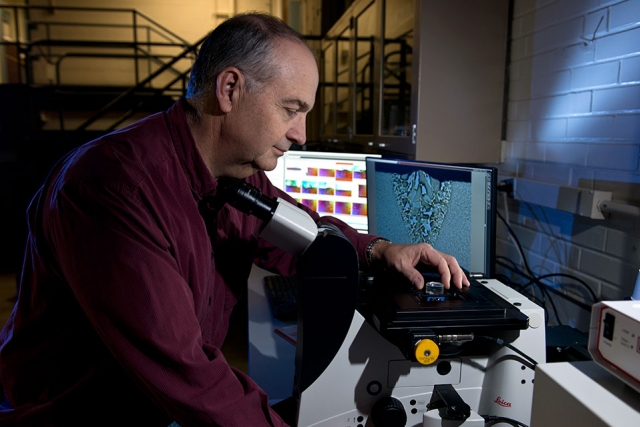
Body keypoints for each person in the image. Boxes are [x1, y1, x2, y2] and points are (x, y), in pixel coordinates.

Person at [0, 12, 469, 427]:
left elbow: (295, 227)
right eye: (292, 109)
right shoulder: (114, 188)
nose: (300, 135)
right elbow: (188, 375)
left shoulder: (226, 173)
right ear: (230, 89)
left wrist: (378, 249)